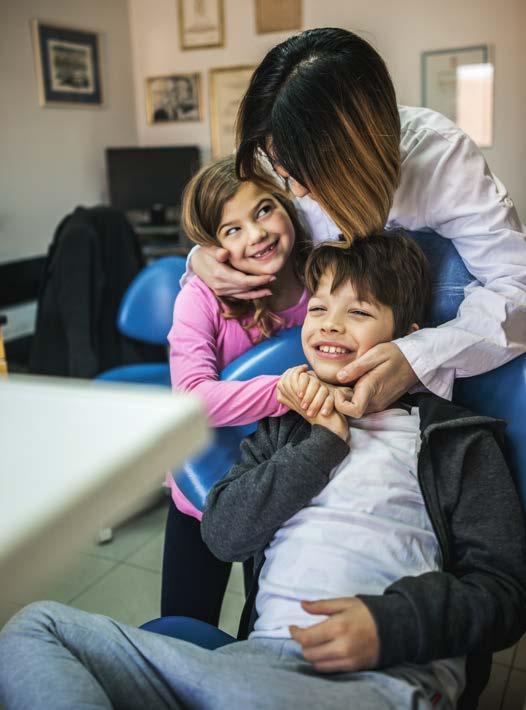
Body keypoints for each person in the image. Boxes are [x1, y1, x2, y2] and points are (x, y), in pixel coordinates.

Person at [1, 233, 524, 710]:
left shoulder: (456, 440)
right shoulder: (286, 430)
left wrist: (392, 625)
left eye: (359, 311)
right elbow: (223, 536)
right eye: (318, 307)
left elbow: (504, 591)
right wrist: (321, 445)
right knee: (35, 628)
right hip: (254, 665)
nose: (330, 324)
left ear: (409, 337)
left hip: (382, 675)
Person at [188, 27, 526, 418]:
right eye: (284, 174)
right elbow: (244, 224)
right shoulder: (280, 152)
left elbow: (516, 285)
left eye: (310, 176)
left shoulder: (440, 158)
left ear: (360, 151)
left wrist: (418, 356)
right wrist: (201, 258)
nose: (297, 192)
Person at [162, 155, 333, 623]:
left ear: (285, 204)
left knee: (264, 618)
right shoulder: (200, 297)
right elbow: (193, 398)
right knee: (184, 622)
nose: (256, 234)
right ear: (213, 247)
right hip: (206, 481)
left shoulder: (326, 280)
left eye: (263, 210)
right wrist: (288, 390)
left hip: (285, 481)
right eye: (232, 229)